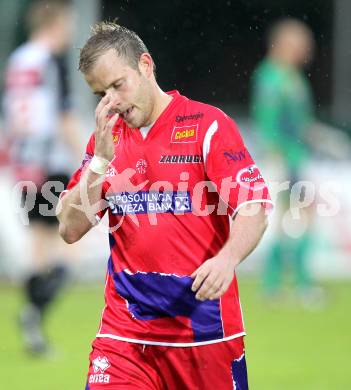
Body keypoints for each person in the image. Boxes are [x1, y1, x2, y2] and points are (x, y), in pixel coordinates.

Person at [57, 22, 272, 389]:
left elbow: (254, 204)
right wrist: (99, 163)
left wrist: (227, 258)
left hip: (204, 334)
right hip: (124, 336)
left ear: (145, 65)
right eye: (101, 93)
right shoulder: (105, 142)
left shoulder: (207, 126)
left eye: (117, 85)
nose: (113, 102)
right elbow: (70, 228)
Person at [2, 0, 81, 355]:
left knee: (39, 250)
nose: (70, 32)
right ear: (56, 23)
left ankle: (33, 328)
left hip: (24, 164)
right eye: (67, 24)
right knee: (69, 251)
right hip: (51, 162)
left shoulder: (18, 59)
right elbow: (61, 117)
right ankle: (34, 314)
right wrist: (89, 158)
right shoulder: (51, 61)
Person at [250, 19, 316, 301]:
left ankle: (293, 282)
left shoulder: (293, 77)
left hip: (296, 155)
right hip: (280, 156)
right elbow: (266, 118)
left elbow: (301, 122)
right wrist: (272, 150)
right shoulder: (270, 76)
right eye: (302, 44)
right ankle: (278, 283)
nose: (306, 51)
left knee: (301, 216)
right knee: (281, 218)